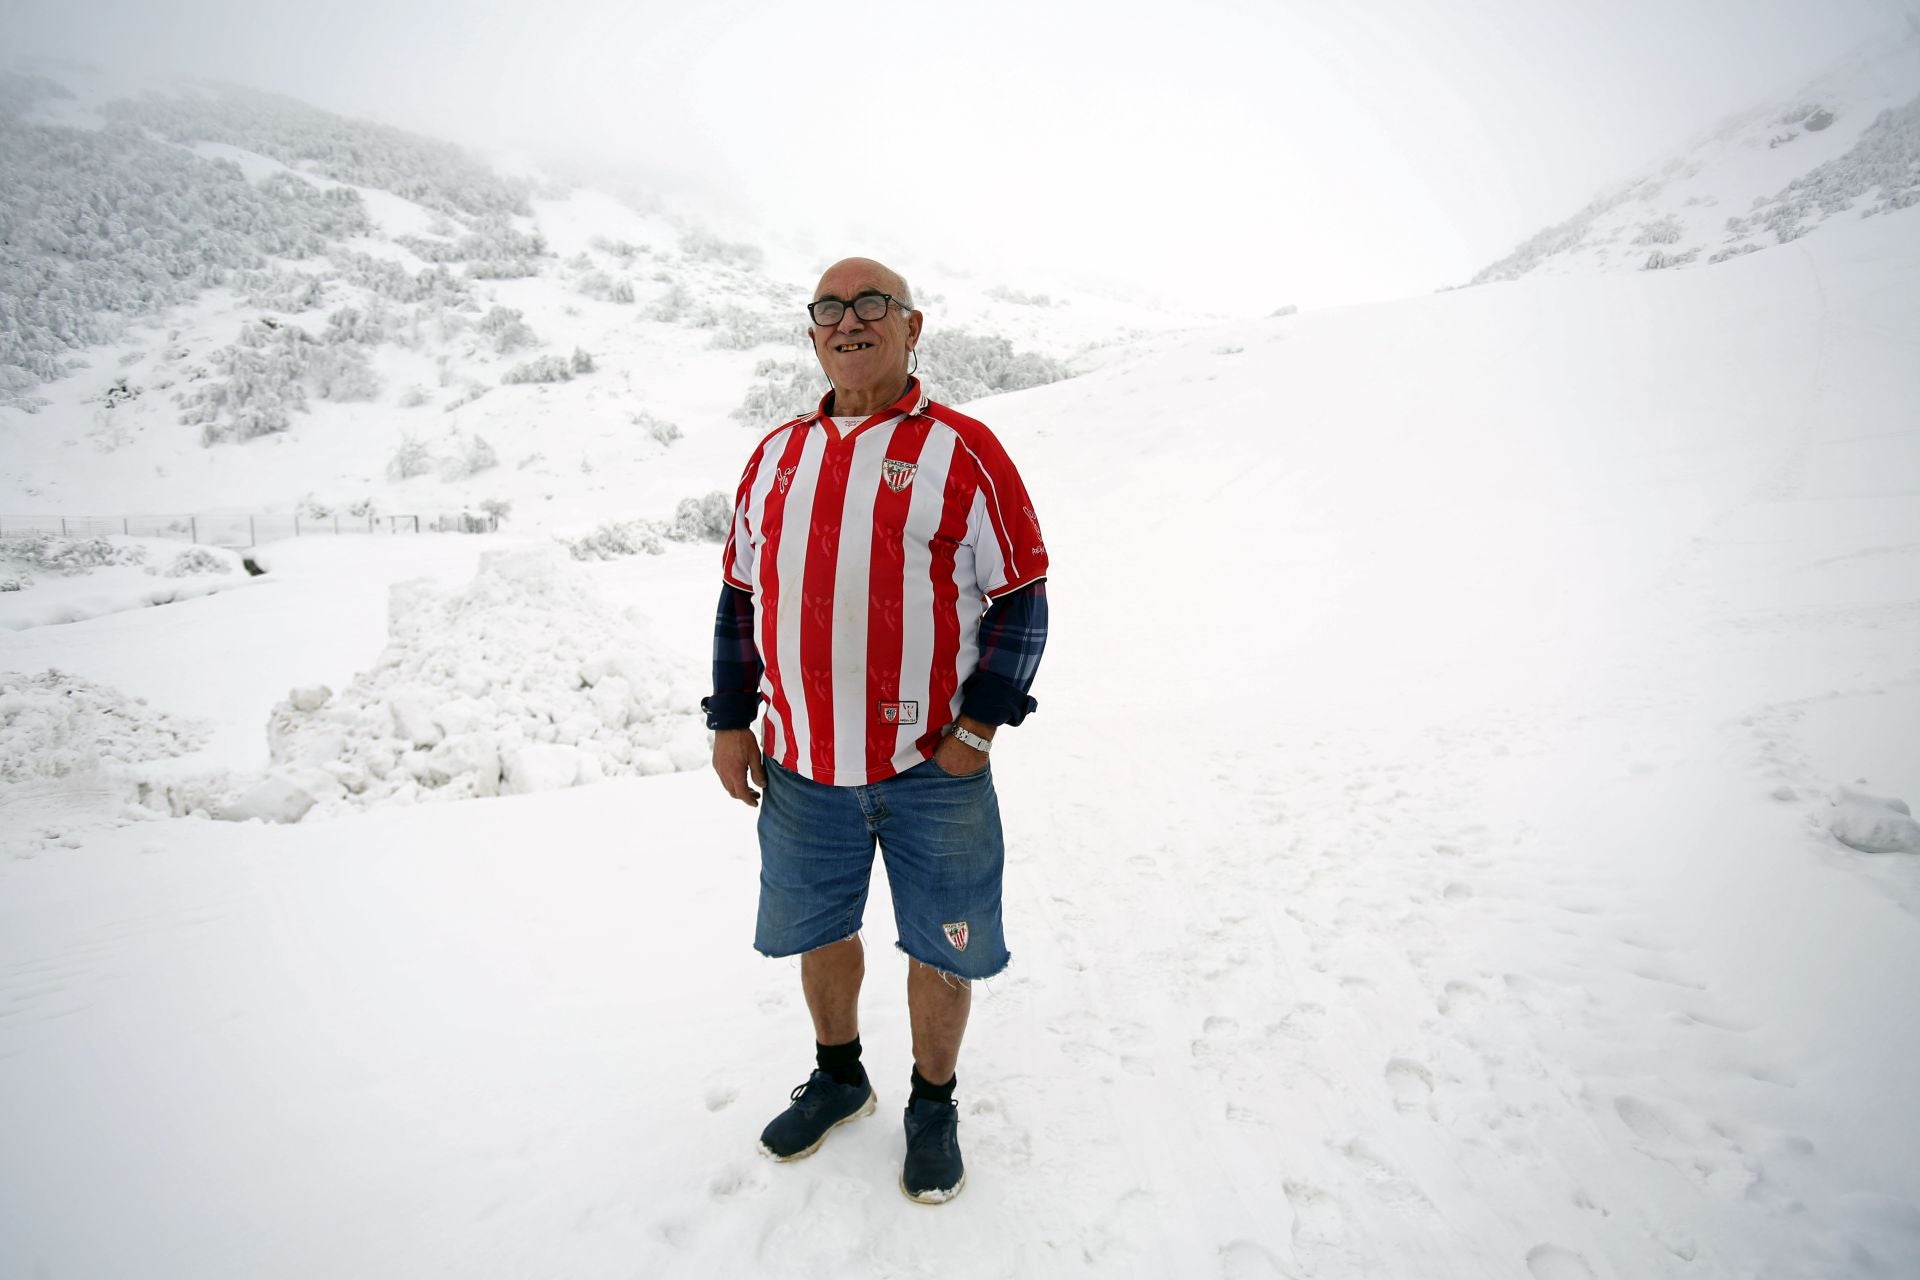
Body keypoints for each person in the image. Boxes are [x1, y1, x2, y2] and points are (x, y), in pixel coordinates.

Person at [703, 257, 1049, 1204]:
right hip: (802, 766)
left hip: (931, 772)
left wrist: (976, 729)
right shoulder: (773, 455)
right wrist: (732, 720)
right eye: (830, 309)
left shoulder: (964, 450)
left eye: (872, 306)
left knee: (943, 945)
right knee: (822, 929)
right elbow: (741, 598)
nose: (849, 321)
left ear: (912, 326)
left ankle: (931, 1106)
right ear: (813, 332)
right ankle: (839, 1073)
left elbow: (1023, 599)